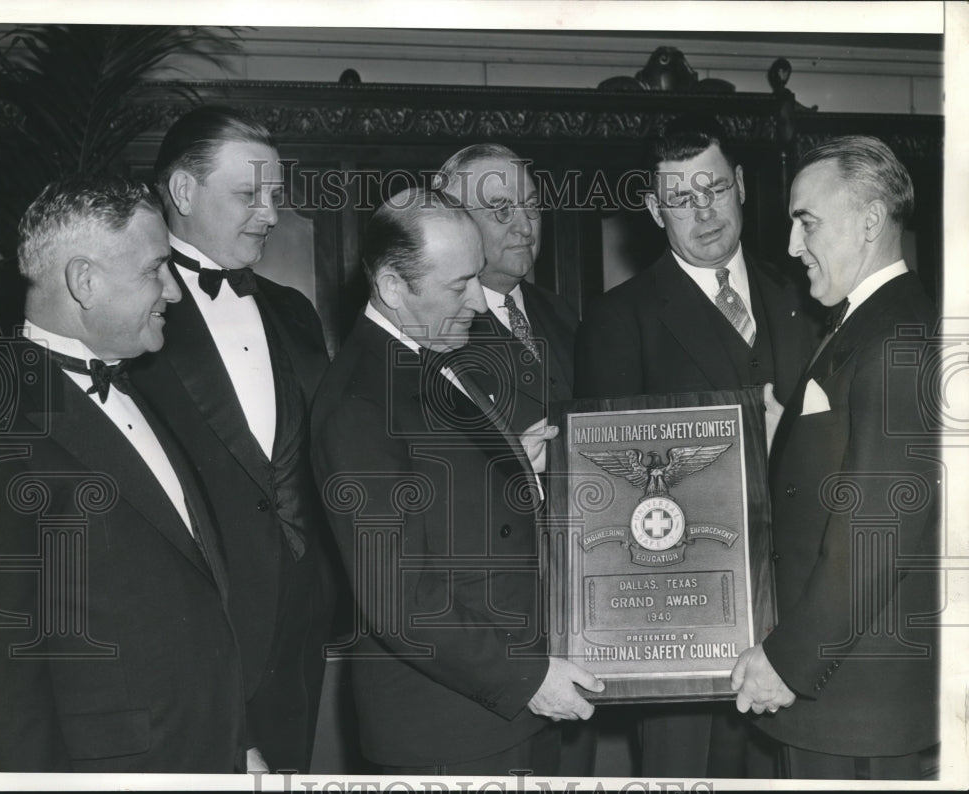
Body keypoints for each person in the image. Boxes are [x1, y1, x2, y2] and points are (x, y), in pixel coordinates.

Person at [310, 188, 604, 776]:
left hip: (502, 705)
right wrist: (527, 678)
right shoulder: (358, 404)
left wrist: (514, 467)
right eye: (459, 285)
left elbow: (441, 498)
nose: (479, 300)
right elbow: (398, 599)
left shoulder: (426, 349)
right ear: (393, 286)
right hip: (458, 725)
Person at [573, 114, 818, 778]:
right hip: (687, 626)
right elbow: (609, 494)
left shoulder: (806, 294)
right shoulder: (618, 319)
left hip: (805, 620)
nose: (703, 211)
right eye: (680, 198)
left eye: (713, 188)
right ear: (655, 211)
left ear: (740, 184)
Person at [0, 176, 247, 772]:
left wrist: (238, 742)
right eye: (156, 268)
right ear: (85, 281)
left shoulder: (146, 386)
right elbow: (6, 666)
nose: (174, 291)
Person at [130, 106, 335, 773]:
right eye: (249, 195)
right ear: (183, 191)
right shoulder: (131, 315)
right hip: (190, 631)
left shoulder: (294, 311)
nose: (271, 214)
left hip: (298, 629)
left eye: (274, 195)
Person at [730, 135, 940, 780]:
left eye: (807, 222)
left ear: (870, 221)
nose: (793, 246)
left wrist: (789, 660)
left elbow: (877, 530)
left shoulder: (897, 338)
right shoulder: (871, 321)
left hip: (855, 700)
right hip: (847, 692)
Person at [434, 144, 577, 434]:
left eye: (531, 206)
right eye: (502, 210)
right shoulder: (435, 329)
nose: (525, 228)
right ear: (454, 223)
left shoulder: (561, 312)